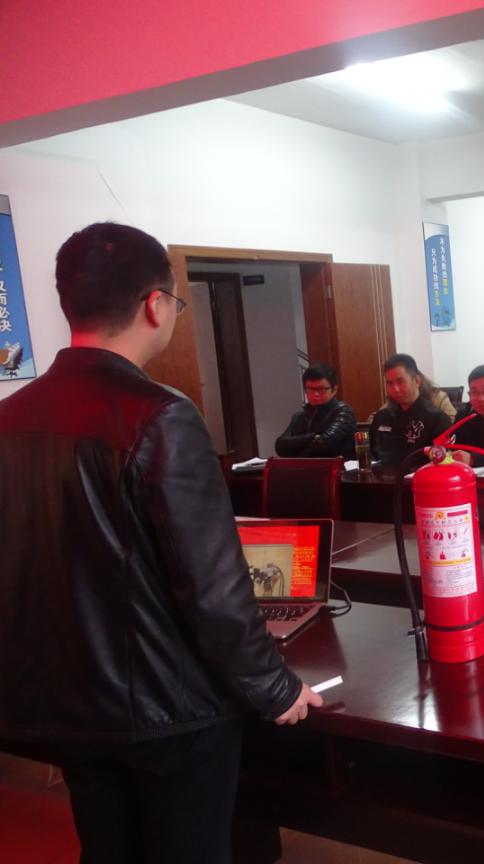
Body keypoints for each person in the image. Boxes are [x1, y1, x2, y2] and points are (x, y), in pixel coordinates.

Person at [0, 222, 320, 863]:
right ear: (155, 304)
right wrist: (275, 686)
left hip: (67, 702)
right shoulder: (161, 414)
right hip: (169, 708)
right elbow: (213, 585)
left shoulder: (11, 417)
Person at [369, 353, 453, 466]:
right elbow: (370, 454)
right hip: (381, 475)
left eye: (400, 382)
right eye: (390, 383)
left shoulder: (437, 419)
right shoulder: (382, 417)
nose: (395, 389)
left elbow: (441, 461)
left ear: (417, 381)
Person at [275, 362, 358, 458]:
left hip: (338, 466)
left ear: (334, 389)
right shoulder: (300, 416)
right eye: (310, 389)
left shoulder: (343, 412)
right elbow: (280, 446)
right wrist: (312, 437)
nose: (315, 394)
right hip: (305, 466)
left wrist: (296, 454)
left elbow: (325, 443)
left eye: (321, 389)